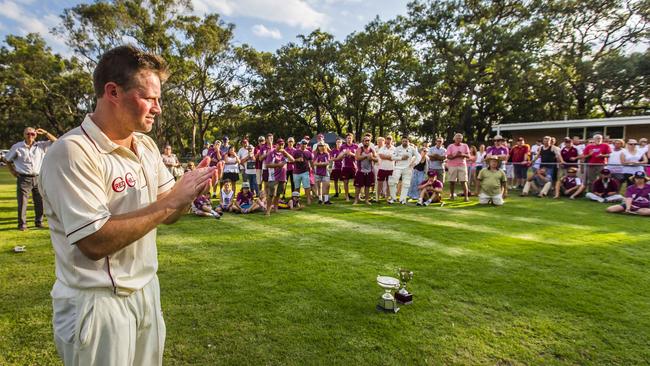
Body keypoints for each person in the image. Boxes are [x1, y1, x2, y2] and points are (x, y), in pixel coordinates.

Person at [38, 45, 216, 365]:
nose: (157, 108)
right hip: (97, 304)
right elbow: (93, 241)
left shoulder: (145, 146)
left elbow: (168, 213)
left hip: (146, 290)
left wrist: (187, 195)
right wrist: (174, 198)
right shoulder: (73, 151)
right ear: (113, 92)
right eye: (149, 97)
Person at [4, 126, 57, 230]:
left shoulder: (41, 145)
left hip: (38, 178)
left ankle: (39, 222)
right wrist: (13, 172)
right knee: (23, 203)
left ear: (36, 135)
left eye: (32, 134)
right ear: (24, 135)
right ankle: (22, 225)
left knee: (40, 202)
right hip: (23, 178)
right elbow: (7, 160)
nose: (30, 136)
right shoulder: (17, 146)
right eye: (28, 134)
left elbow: (56, 142)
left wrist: (45, 132)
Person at [264, 138, 293, 215]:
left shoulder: (284, 153)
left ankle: (276, 209)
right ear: (276, 144)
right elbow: (267, 165)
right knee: (271, 195)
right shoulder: (271, 153)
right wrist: (278, 165)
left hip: (283, 177)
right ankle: (268, 211)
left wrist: (285, 152)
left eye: (282, 144)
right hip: (273, 177)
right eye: (279, 144)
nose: (281, 146)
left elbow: (292, 160)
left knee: (278, 194)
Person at [388, 136, 419, 204]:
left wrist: (414, 164)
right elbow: (392, 157)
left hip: (408, 168)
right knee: (392, 182)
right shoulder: (397, 148)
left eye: (406, 141)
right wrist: (401, 158)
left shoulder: (412, 149)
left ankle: (402, 199)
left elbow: (418, 156)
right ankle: (393, 198)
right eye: (403, 141)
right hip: (398, 167)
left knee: (406, 184)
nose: (405, 142)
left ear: (408, 142)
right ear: (401, 141)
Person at [445, 133, 471, 202]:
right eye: (457, 138)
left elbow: (469, 156)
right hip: (452, 165)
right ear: (454, 139)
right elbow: (448, 156)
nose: (459, 139)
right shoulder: (450, 146)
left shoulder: (465, 146)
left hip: (462, 165)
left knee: (464, 181)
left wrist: (462, 154)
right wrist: (456, 155)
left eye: (460, 138)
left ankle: (466, 197)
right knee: (452, 182)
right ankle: (452, 196)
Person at [354, 136, 378, 205]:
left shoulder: (372, 150)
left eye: (368, 141)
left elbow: (376, 160)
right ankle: (356, 200)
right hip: (360, 171)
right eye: (365, 141)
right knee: (358, 187)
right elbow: (357, 158)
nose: (367, 142)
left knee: (367, 186)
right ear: (363, 142)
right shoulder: (359, 149)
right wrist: (365, 156)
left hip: (369, 171)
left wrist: (372, 158)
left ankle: (366, 200)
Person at [292, 139, 313, 205]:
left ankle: (308, 200)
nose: (304, 145)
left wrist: (313, 169)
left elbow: (311, 161)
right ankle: (296, 201)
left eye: (305, 144)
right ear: (300, 144)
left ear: (307, 145)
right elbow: (290, 160)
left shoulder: (309, 152)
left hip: (305, 171)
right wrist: (297, 159)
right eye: (303, 144)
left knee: (307, 187)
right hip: (296, 172)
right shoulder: (296, 151)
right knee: (297, 187)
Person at [339, 133, 358, 201]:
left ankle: (357, 196)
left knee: (356, 182)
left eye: (350, 138)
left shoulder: (356, 146)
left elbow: (358, 156)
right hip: (345, 167)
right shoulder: (342, 146)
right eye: (348, 138)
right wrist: (344, 153)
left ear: (352, 139)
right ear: (345, 139)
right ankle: (347, 196)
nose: (349, 139)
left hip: (354, 167)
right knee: (346, 182)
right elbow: (339, 157)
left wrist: (351, 154)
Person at [377, 136, 395, 202]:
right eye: (387, 139)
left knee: (389, 184)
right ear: (386, 140)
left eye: (390, 139)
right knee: (379, 183)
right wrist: (389, 157)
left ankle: (387, 198)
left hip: (391, 169)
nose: (388, 140)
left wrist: (386, 157)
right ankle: (377, 197)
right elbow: (381, 156)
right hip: (382, 168)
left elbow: (393, 158)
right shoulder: (382, 147)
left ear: (392, 140)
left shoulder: (394, 148)